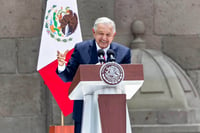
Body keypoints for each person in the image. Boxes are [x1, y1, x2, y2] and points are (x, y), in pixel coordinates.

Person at [56, 17, 131, 133]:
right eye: (101, 34)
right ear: (94, 32)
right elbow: (68, 76)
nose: (104, 38)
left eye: (108, 34)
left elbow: (128, 81)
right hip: (85, 109)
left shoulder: (123, 52)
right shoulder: (81, 49)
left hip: (113, 111)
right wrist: (61, 65)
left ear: (114, 35)